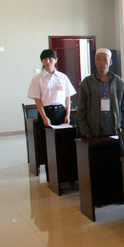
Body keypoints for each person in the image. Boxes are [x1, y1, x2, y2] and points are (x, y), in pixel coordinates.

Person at [27, 49, 77, 183]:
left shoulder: (63, 77)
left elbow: (68, 97)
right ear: (42, 61)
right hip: (46, 114)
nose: (48, 61)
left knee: (64, 146)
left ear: (56, 60)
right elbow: (37, 100)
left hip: (61, 113)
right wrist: (44, 117)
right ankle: (51, 179)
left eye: (50, 59)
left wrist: (67, 114)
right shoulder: (37, 78)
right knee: (48, 147)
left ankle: (66, 178)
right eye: (44, 59)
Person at [77, 48, 124, 138]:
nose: (101, 63)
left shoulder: (118, 82)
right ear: (95, 62)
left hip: (116, 132)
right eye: (98, 59)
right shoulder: (87, 83)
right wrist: (86, 131)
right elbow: (81, 110)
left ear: (110, 62)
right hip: (94, 133)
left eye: (104, 60)